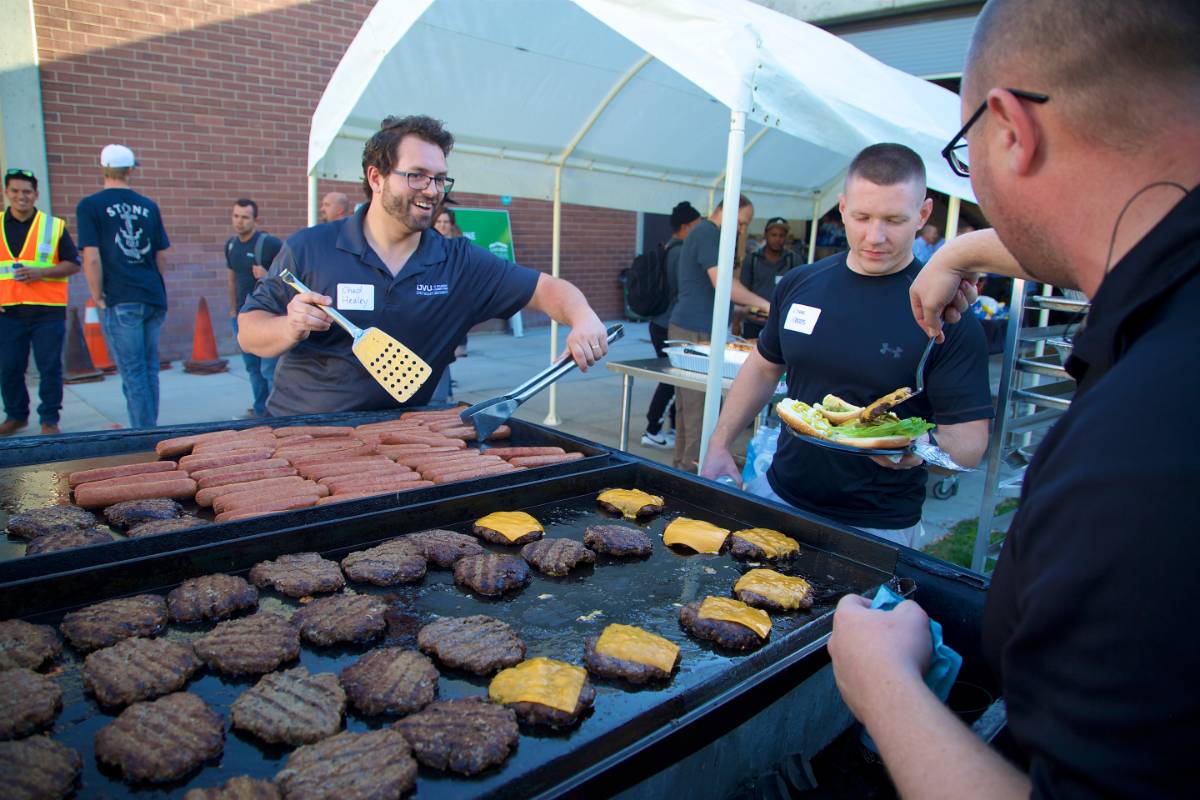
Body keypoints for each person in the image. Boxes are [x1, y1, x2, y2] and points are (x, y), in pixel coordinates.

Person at [829, 1, 1200, 797]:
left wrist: (881, 683)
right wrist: (962, 248)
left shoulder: (1144, 454)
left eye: (966, 156)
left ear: (1009, 130)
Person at [700, 144, 991, 547]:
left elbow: (970, 444)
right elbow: (765, 367)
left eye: (894, 220)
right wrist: (719, 443)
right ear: (841, 208)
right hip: (779, 496)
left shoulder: (946, 313)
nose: (875, 236)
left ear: (923, 215)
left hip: (878, 527)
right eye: (862, 217)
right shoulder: (802, 283)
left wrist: (922, 449)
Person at [237, 115, 609, 415]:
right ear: (376, 178)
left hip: (408, 444)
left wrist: (584, 318)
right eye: (416, 175)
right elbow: (249, 330)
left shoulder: (457, 261)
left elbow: (548, 289)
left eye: (440, 179)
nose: (432, 190)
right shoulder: (310, 247)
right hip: (302, 433)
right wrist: (291, 326)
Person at [668, 194, 769, 471]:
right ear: (722, 210)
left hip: (695, 326)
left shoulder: (706, 233)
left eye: (744, 225)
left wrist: (740, 310)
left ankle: (681, 471)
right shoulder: (708, 233)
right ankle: (691, 477)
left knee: (690, 412)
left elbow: (715, 288)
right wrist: (766, 304)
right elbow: (723, 283)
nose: (740, 229)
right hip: (695, 331)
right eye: (739, 222)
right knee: (699, 414)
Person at [76, 145, 171, 429]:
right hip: (152, 295)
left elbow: (91, 257)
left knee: (133, 371)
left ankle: (143, 434)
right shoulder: (148, 206)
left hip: (120, 297)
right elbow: (161, 255)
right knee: (149, 368)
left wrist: (97, 295)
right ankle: (149, 427)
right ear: (130, 170)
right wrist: (154, 284)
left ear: (103, 169)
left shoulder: (89, 206)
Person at [0, 169, 81, 436]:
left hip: (48, 312)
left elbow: (72, 264)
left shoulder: (53, 226)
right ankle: (16, 416)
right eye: (15, 191)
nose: (21, 196)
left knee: (49, 367)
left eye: (26, 191)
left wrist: (41, 272)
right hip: (8, 311)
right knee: (10, 366)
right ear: (6, 193)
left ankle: (49, 419)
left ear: (36, 194)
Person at [641, 200, 701, 449]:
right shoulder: (680, 253)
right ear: (686, 227)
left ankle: (672, 427)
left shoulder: (669, 248)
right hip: (669, 323)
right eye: (697, 226)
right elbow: (683, 291)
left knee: (674, 377)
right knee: (671, 378)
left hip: (660, 322)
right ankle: (652, 429)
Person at [226, 198, 283, 418]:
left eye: (245, 217)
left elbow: (291, 277)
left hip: (268, 317)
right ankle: (260, 410)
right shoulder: (231, 245)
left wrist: (267, 275)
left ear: (255, 220)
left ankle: (275, 413)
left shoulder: (269, 244)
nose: (239, 222)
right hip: (242, 316)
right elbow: (231, 279)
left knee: (269, 369)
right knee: (252, 368)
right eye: (236, 216)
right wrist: (233, 310)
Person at [739, 216, 799, 338]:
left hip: (780, 323)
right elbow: (743, 290)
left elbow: (799, 292)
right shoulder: (752, 259)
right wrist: (738, 320)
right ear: (765, 235)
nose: (777, 239)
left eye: (781, 235)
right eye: (774, 235)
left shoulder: (794, 260)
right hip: (753, 322)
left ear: (786, 237)